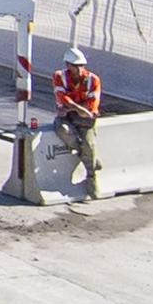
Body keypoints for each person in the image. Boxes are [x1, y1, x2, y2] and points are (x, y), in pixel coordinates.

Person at [52, 48, 104, 198]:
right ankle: (90, 160)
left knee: (89, 144)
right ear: (68, 65)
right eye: (76, 66)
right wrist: (77, 108)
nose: (79, 69)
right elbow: (62, 98)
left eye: (81, 65)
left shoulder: (93, 80)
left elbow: (91, 106)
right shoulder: (59, 76)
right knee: (63, 130)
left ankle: (91, 178)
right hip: (68, 117)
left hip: (85, 119)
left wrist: (71, 108)